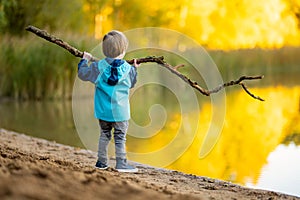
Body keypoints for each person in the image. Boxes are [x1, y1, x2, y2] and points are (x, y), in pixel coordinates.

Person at [77, 30, 140, 173]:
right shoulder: (128, 69)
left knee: (104, 135)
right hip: (120, 113)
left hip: (103, 111)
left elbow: (82, 74)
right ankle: (121, 163)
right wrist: (135, 69)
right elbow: (132, 83)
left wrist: (84, 60)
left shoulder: (97, 67)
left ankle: (101, 162)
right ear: (123, 50)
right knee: (120, 138)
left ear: (104, 50)